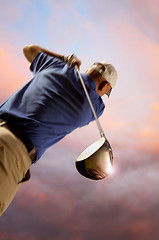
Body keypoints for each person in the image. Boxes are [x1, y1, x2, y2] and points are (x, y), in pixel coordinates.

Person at [0, 45, 117, 216]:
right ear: (106, 85)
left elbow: (29, 50)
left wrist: (64, 59)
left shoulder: (56, 67)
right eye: (106, 91)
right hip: (11, 152)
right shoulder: (96, 107)